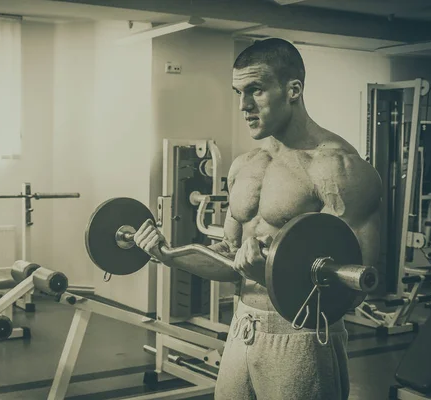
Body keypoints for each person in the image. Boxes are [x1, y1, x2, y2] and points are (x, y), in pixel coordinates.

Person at [134, 38, 382, 400]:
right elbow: (229, 256)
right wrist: (168, 255)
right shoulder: (245, 166)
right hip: (242, 326)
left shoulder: (337, 167)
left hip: (301, 334)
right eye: (238, 92)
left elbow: (354, 286)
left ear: (293, 89)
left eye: (256, 91)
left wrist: (270, 273)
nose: (243, 106)